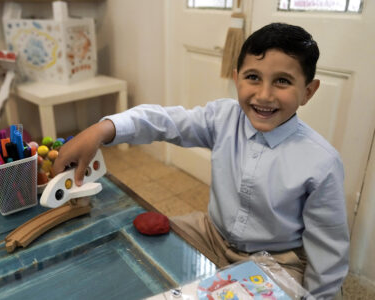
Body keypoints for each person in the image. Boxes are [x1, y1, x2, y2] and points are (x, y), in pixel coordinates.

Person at [53, 23, 349, 299]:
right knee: (135, 247)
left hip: (276, 260)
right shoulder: (222, 117)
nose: (264, 94)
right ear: (236, 78)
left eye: (282, 81)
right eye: (253, 77)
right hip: (210, 233)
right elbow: (166, 120)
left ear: (308, 92)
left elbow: (329, 250)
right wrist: (104, 129)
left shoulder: (321, 162)